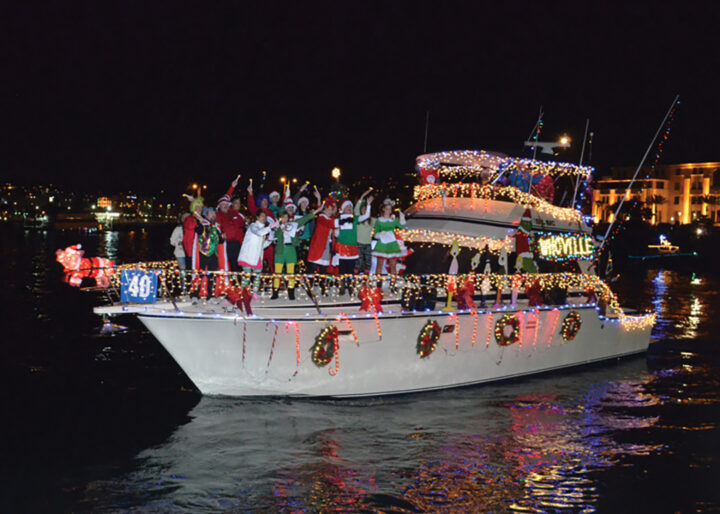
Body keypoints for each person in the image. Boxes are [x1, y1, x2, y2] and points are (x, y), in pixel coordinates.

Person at [271, 199, 323, 299]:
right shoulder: (276, 226)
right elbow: (274, 236)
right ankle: (275, 292)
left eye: (287, 217)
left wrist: (317, 211)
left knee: (291, 272)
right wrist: (280, 230)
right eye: (283, 217)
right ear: (280, 218)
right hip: (280, 250)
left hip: (290, 249)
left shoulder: (293, 224)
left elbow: (305, 219)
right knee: (277, 272)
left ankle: (291, 292)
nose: (285, 219)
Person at [334, 193, 372, 293]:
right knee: (342, 269)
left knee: (351, 269)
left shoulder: (355, 218)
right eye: (347, 206)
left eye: (351, 206)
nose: (350, 208)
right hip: (342, 247)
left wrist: (368, 205)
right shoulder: (338, 220)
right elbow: (335, 233)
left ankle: (350, 287)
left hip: (352, 247)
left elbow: (366, 216)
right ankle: (342, 288)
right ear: (343, 208)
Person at [217, 178, 245, 272]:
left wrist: (232, 187)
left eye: (226, 204)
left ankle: (238, 284)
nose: (225, 205)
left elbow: (228, 196)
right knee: (228, 265)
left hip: (237, 244)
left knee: (238, 266)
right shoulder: (217, 215)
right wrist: (232, 187)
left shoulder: (232, 213)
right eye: (223, 204)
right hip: (226, 244)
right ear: (219, 206)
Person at [372, 198, 406, 274]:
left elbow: (402, 226)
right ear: (383, 209)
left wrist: (402, 218)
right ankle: (379, 284)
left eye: (390, 209)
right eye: (387, 209)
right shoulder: (379, 220)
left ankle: (393, 285)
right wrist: (380, 234)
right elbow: (375, 234)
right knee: (380, 264)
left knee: (393, 265)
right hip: (382, 244)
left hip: (392, 243)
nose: (389, 211)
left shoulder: (394, 219)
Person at [247, 183, 276, 272]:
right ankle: (259, 282)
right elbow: (251, 205)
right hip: (259, 242)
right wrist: (250, 194)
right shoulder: (257, 211)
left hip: (269, 242)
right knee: (259, 263)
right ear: (259, 202)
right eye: (263, 201)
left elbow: (275, 225)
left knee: (271, 263)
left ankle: (272, 281)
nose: (265, 202)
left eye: (266, 200)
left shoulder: (271, 212)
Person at [354, 191, 375, 274]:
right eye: (363, 209)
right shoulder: (358, 219)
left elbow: (382, 223)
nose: (365, 211)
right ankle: (355, 279)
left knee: (368, 263)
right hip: (359, 243)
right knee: (358, 263)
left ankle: (366, 281)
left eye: (367, 210)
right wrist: (362, 197)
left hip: (367, 244)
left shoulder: (372, 220)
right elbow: (356, 209)